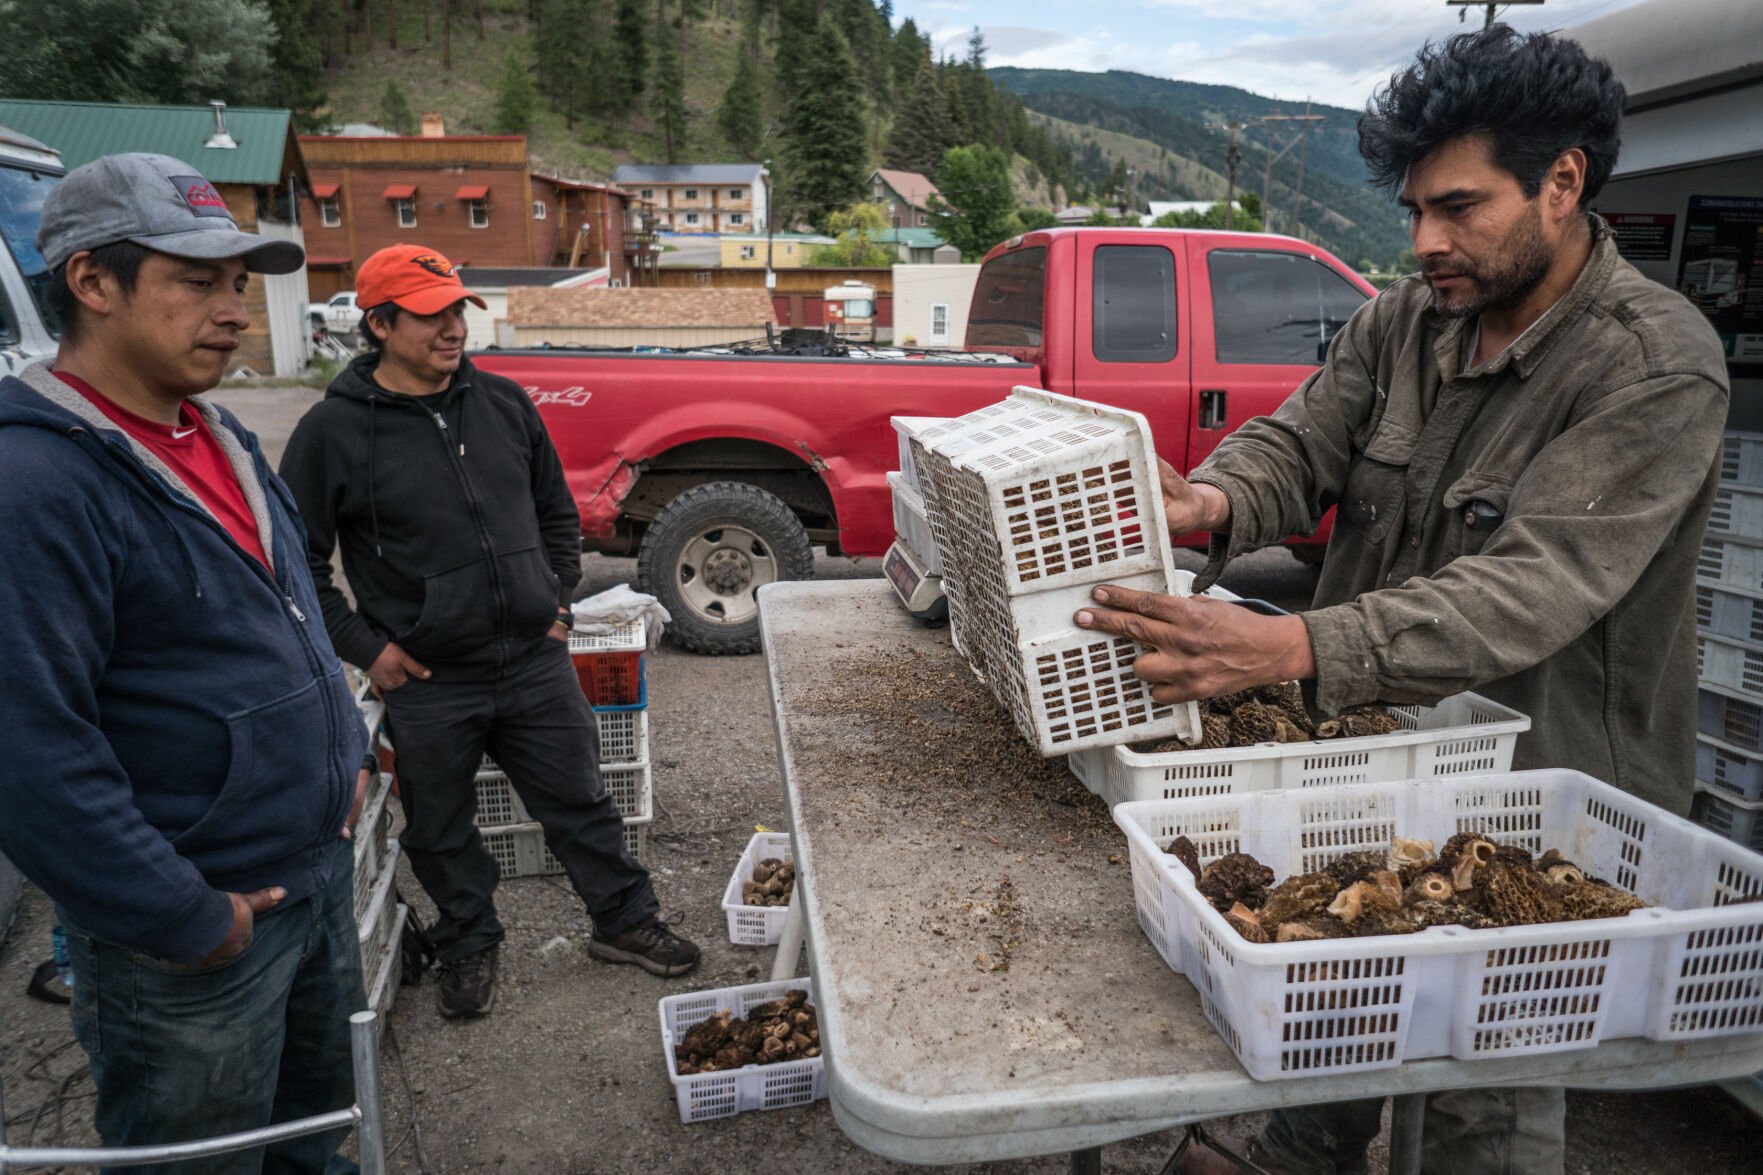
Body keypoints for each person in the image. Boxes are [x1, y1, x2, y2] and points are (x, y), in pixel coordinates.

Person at [1074, 27, 1729, 1175]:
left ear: (1562, 182)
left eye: (1459, 207)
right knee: (1333, 1002)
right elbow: (1298, 442)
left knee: (1477, 1087)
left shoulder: (1651, 364)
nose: (1425, 240)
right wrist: (1212, 501)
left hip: (1541, 797)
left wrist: (1286, 645)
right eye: (1414, 209)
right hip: (1376, 763)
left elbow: (1527, 589)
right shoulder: (1406, 320)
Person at [0, 153, 372, 1173]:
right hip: (196, 936)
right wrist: (183, 916)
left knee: (313, 1132)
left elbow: (280, 618)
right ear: (92, 282)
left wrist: (342, 751)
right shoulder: (34, 481)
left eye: (239, 284)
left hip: (309, 876)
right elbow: (31, 750)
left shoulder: (218, 435)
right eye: (196, 280)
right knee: (203, 1160)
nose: (233, 311)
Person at [278, 244, 700, 1020]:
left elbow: (555, 515)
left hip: (532, 659)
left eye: (456, 310)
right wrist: (367, 647)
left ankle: (624, 921)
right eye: (430, 314)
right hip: (432, 680)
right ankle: (470, 942)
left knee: (582, 801)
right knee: (439, 829)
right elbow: (295, 563)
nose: (452, 328)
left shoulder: (503, 405)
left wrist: (557, 598)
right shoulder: (331, 433)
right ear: (379, 322)